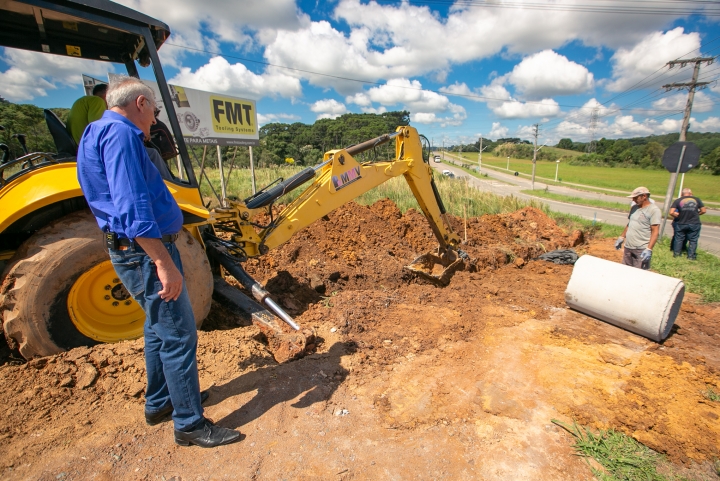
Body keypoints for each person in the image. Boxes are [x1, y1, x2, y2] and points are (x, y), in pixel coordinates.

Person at [76, 76, 241, 448]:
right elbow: (132, 206)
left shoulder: (97, 131)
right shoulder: (121, 137)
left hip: (132, 249)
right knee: (179, 333)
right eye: (154, 109)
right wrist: (163, 262)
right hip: (144, 252)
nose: (154, 118)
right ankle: (190, 424)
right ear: (139, 104)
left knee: (156, 327)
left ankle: (161, 402)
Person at [615, 186, 661, 270]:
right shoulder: (634, 208)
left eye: (636, 198)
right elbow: (630, 224)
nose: (633, 200)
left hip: (641, 248)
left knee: (639, 274)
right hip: (628, 246)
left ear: (644, 196)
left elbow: (655, 231)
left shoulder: (653, 210)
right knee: (625, 271)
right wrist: (621, 237)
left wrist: (649, 249)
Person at [669, 188, 706, 260]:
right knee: (693, 240)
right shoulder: (697, 199)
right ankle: (691, 256)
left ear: (682, 194)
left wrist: (676, 215)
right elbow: (703, 210)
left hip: (681, 222)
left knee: (679, 239)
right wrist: (697, 213)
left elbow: (671, 212)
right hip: (694, 223)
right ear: (690, 193)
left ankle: (676, 255)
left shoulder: (678, 200)